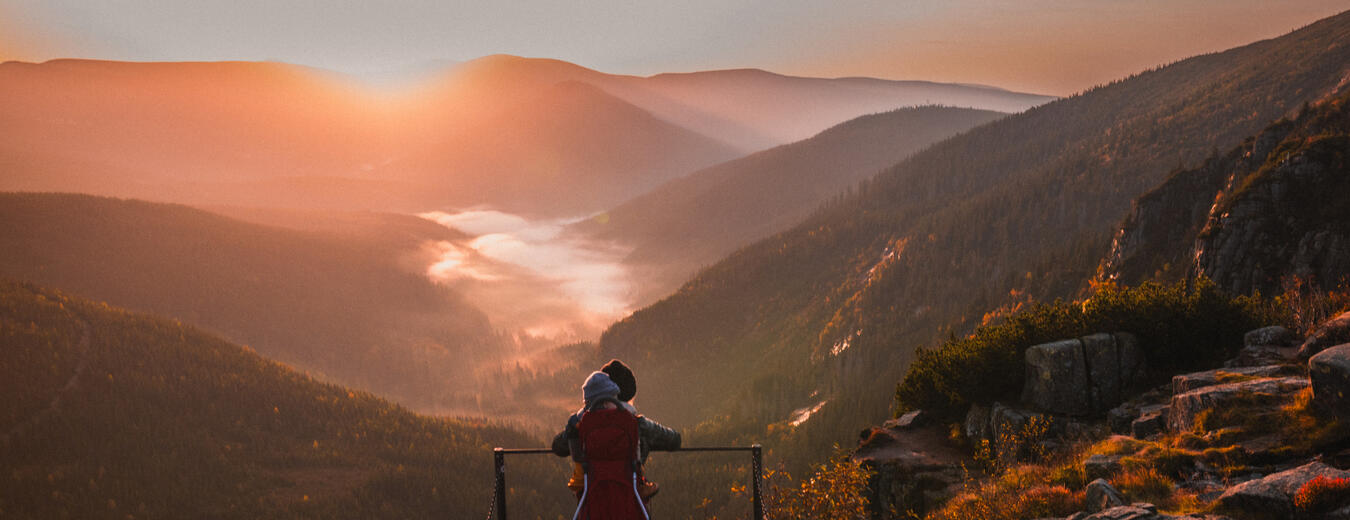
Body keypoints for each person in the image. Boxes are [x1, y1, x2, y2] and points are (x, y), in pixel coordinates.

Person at [552, 360, 679, 502]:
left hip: (593, 504)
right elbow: (675, 440)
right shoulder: (637, 425)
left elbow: (558, 446)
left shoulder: (583, 425)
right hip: (629, 502)